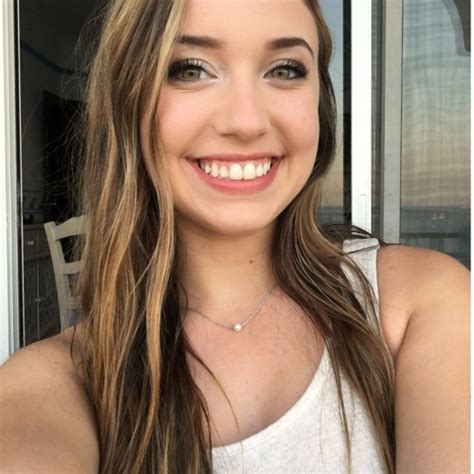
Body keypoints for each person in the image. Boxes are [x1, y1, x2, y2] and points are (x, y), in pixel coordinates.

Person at [0, 0, 469, 472]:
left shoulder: (419, 303)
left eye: (285, 70)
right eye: (190, 69)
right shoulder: (56, 384)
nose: (246, 123)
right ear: (129, 97)